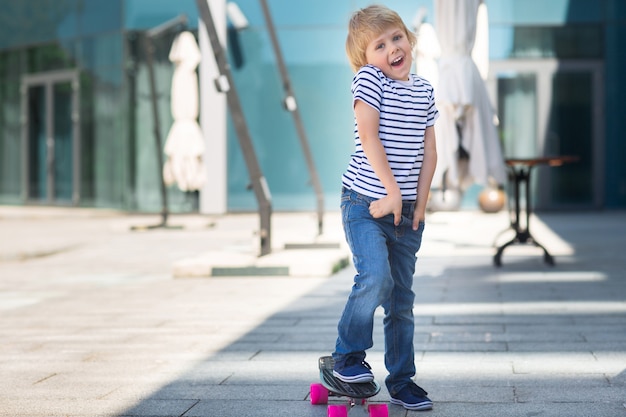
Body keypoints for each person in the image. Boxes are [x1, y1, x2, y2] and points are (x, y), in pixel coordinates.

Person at [332, 4, 438, 412]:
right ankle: (348, 358)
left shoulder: (425, 89)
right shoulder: (368, 80)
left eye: (396, 37)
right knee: (375, 278)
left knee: (401, 302)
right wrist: (393, 191)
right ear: (365, 58)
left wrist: (420, 203)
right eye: (380, 45)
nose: (392, 48)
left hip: (406, 212)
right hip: (364, 202)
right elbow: (369, 136)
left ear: (409, 40)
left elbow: (430, 152)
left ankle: (402, 381)